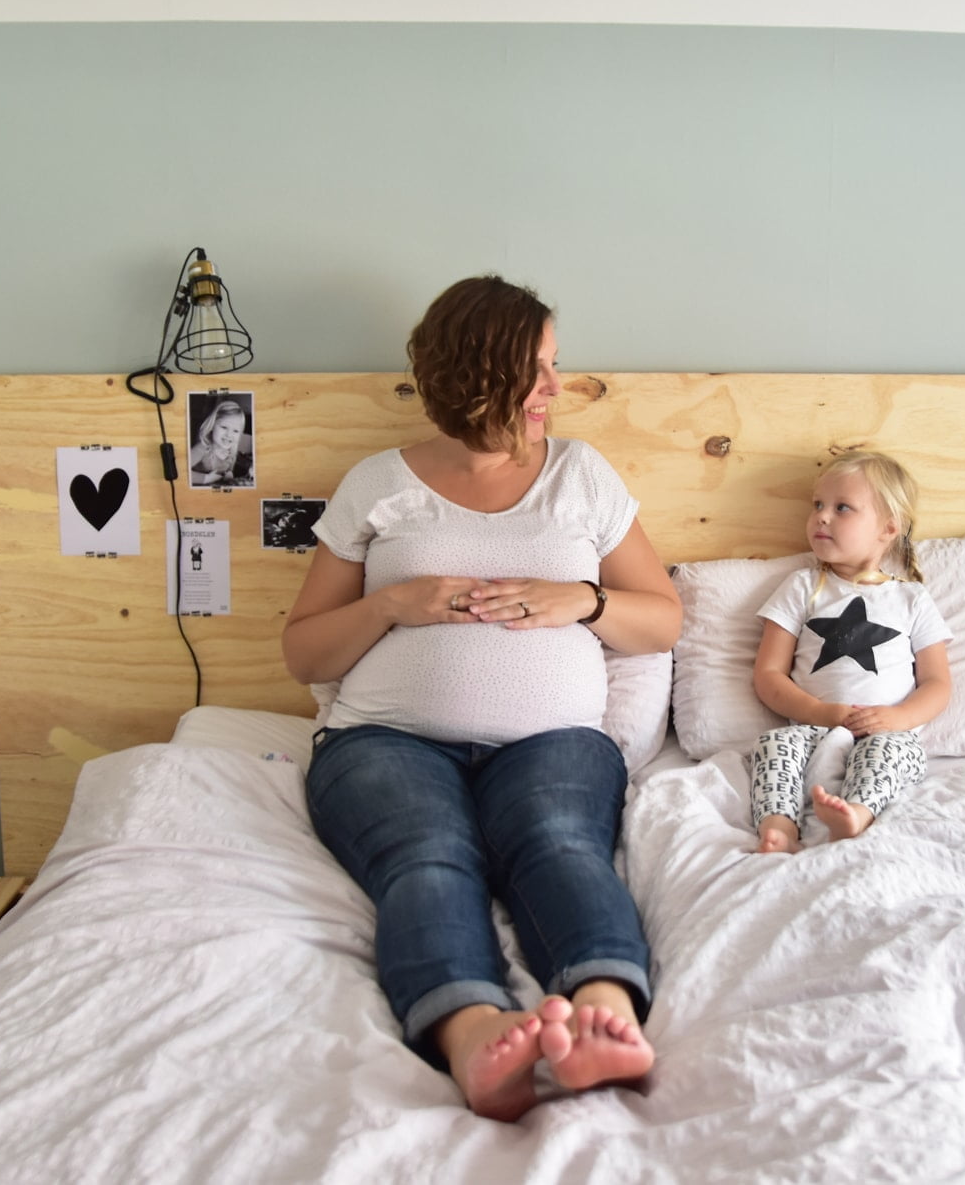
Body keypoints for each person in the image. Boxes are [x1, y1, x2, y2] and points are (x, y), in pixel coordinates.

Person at [282, 276, 683, 1122]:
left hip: (552, 741)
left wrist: (585, 599)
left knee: (559, 840)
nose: (556, 388)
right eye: (536, 369)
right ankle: (476, 1039)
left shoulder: (582, 475)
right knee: (426, 853)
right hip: (383, 740)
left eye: (554, 365)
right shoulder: (376, 483)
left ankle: (605, 1015)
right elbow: (302, 650)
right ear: (475, 372)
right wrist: (395, 603)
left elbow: (663, 620)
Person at [749, 452, 952, 854]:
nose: (822, 517)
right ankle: (779, 826)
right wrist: (822, 713)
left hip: (886, 734)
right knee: (772, 746)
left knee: (889, 752)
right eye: (818, 506)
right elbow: (768, 675)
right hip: (814, 729)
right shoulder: (800, 587)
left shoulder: (911, 599)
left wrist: (897, 719)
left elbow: (938, 682)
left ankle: (856, 814)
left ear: (887, 528)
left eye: (842, 508)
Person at [189, 398, 253, 486]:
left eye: (235, 431)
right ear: (212, 426)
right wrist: (206, 478)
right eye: (224, 427)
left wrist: (229, 474)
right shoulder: (202, 448)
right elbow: (181, 472)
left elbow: (228, 470)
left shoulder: (231, 453)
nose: (229, 435)